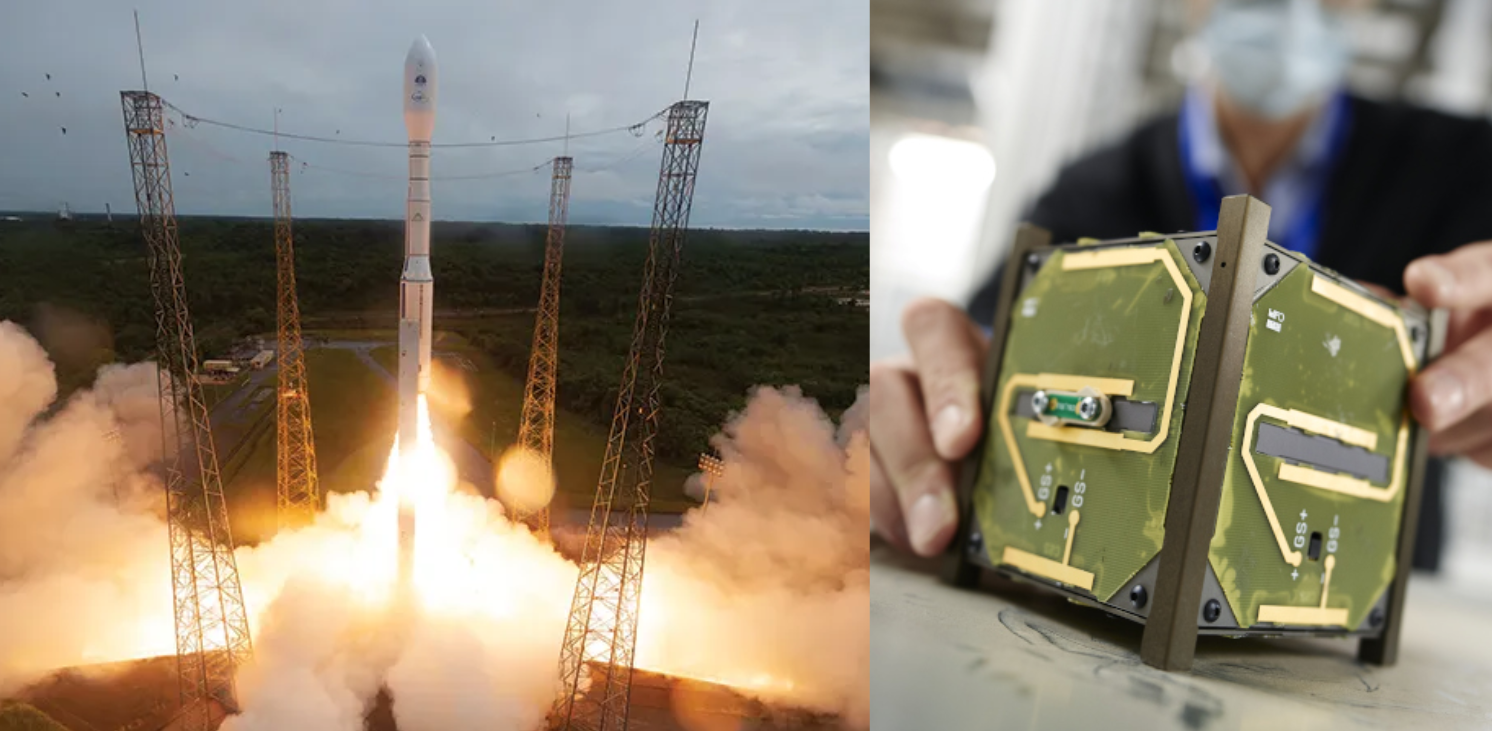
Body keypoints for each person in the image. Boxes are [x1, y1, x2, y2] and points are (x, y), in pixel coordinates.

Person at [870, 0, 1492, 559]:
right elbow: (990, 353)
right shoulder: (1088, 192)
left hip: (1363, 589)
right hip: (1108, 579)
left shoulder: (1466, 169)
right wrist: (939, 414)